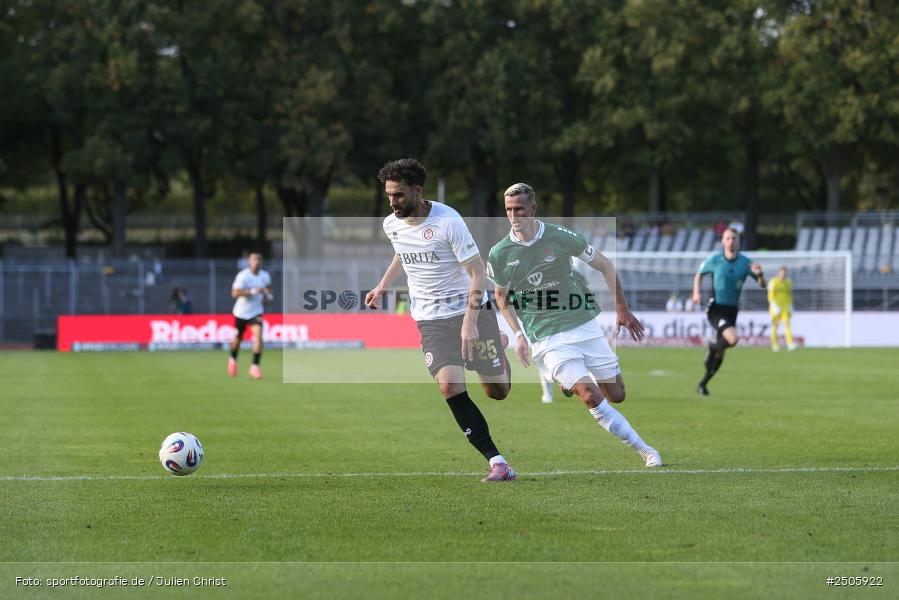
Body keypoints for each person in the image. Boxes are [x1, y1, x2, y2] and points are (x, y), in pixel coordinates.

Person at [488, 183, 663, 468]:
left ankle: (569, 381)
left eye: (519, 208)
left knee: (617, 395)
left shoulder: (560, 237)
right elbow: (500, 294)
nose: (513, 215)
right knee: (591, 396)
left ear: (533, 209)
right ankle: (646, 450)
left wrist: (622, 308)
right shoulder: (500, 253)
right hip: (546, 338)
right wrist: (518, 334)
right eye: (508, 209)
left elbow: (605, 265)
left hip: (583, 325)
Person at [364, 158, 516, 483]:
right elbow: (401, 253)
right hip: (431, 320)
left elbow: (478, 274)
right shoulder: (391, 224)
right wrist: (382, 286)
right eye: (389, 195)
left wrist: (471, 322)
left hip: (470, 313)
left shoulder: (449, 222)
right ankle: (497, 461)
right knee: (449, 386)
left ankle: (499, 348)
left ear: (417, 191)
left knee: (497, 391)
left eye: (399, 196)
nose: (393, 203)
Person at [692, 228, 766, 396]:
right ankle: (711, 347)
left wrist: (760, 275)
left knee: (721, 351)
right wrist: (696, 292)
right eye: (728, 238)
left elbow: (763, 284)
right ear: (723, 241)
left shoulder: (746, 262)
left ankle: (703, 384)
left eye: (734, 238)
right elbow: (699, 274)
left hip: (732, 310)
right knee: (733, 339)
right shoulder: (715, 260)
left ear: (739, 241)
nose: (731, 241)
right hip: (716, 308)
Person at [228, 252, 272, 379]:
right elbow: (235, 293)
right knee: (238, 339)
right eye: (254, 259)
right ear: (249, 261)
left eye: (258, 260)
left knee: (258, 335)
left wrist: (268, 297)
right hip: (241, 313)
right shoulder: (243, 276)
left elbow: (269, 292)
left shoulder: (265, 276)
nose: (256, 262)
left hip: (256, 312)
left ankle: (255, 366)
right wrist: (253, 291)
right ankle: (233, 359)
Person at [768, 266, 796, 352]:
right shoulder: (773, 282)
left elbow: (789, 294)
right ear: (778, 273)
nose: (783, 275)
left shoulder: (788, 282)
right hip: (775, 307)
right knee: (775, 325)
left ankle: (790, 343)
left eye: (785, 273)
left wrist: (791, 305)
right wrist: (773, 305)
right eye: (782, 273)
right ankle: (774, 344)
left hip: (785, 307)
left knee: (787, 324)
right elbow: (770, 294)